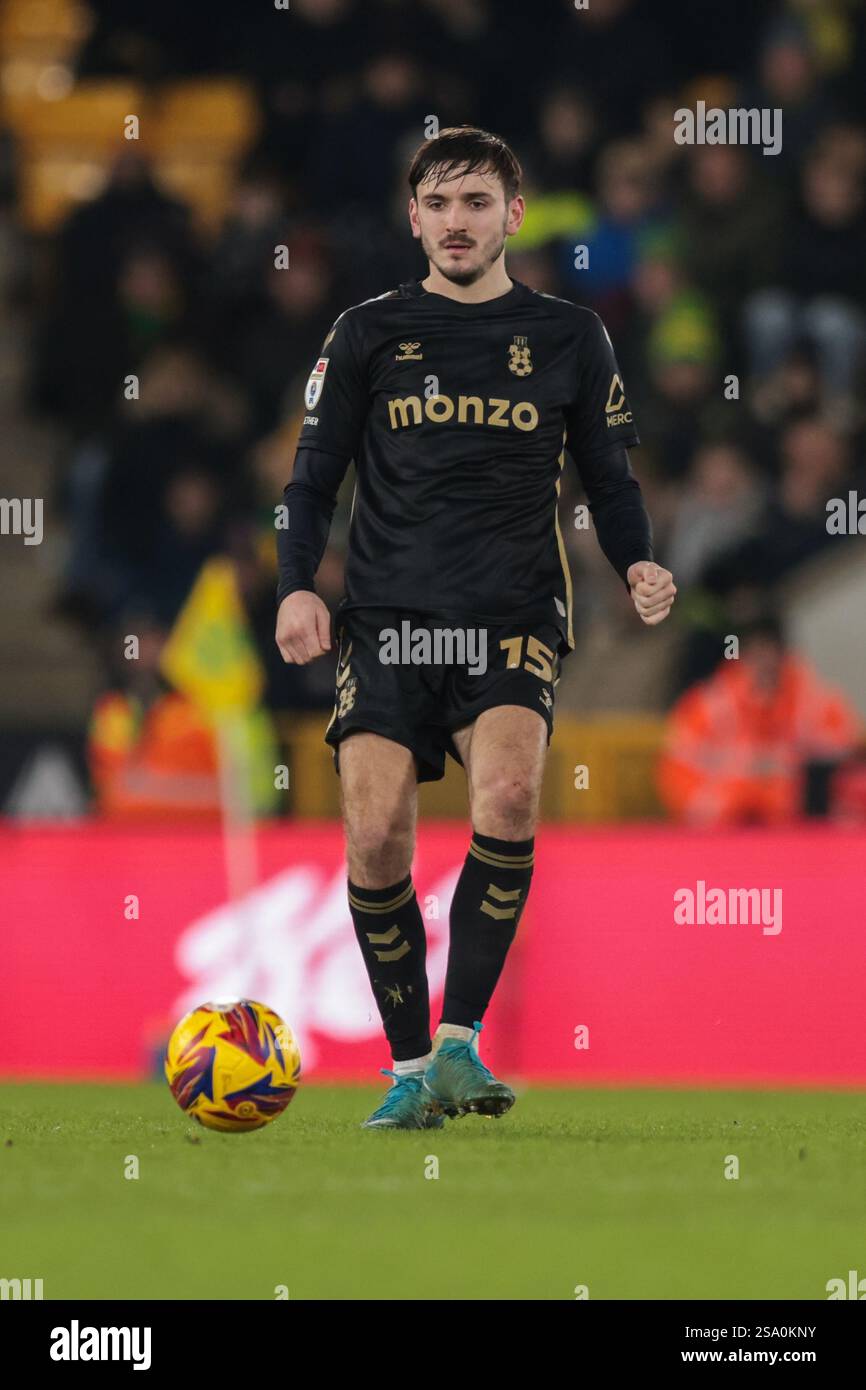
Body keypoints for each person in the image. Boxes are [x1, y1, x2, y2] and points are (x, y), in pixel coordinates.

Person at [275, 126, 675, 1128]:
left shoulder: (570, 337)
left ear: (513, 215)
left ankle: (459, 1046)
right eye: (439, 205)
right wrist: (294, 586)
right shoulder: (364, 332)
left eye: (476, 203)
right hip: (384, 617)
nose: (457, 223)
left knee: (504, 794)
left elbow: (607, 474)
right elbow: (311, 476)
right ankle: (408, 1067)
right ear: (413, 218)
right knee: (374, 836)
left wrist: (633, 560)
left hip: (510, 611)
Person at [658, 616, 861, 826]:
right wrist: (742, 796)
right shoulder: (708, 706)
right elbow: (677, 774)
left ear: (784, 654)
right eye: (755, 652)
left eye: (769, 650)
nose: (763, 661)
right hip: (725, 832)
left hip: (800, 834)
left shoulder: (818, 705)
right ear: (740, 654)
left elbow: (846, 777)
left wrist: (785, 792)